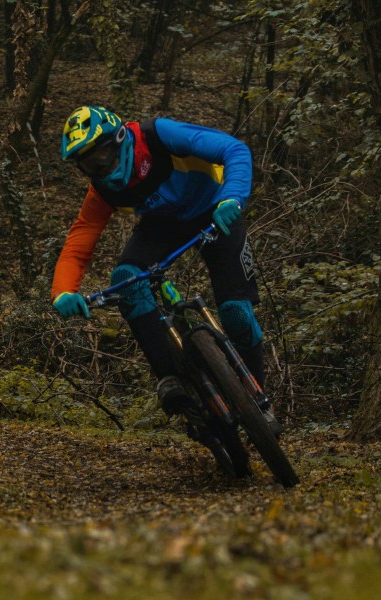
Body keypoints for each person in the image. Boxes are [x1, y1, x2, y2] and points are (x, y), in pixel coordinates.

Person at [51, 105, 281, 435]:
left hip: (216, 211)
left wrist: (232, 197)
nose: (100, 170)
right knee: (125, 280)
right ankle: (170, 378)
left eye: (101, 158)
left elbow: (234, 149)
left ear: (120, 140)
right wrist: (63, 291)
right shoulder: (103, 188)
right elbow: (81, 237)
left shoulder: (158, 135)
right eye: (88, 165)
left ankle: (259, 400)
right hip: (162, 225)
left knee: (236, 313)